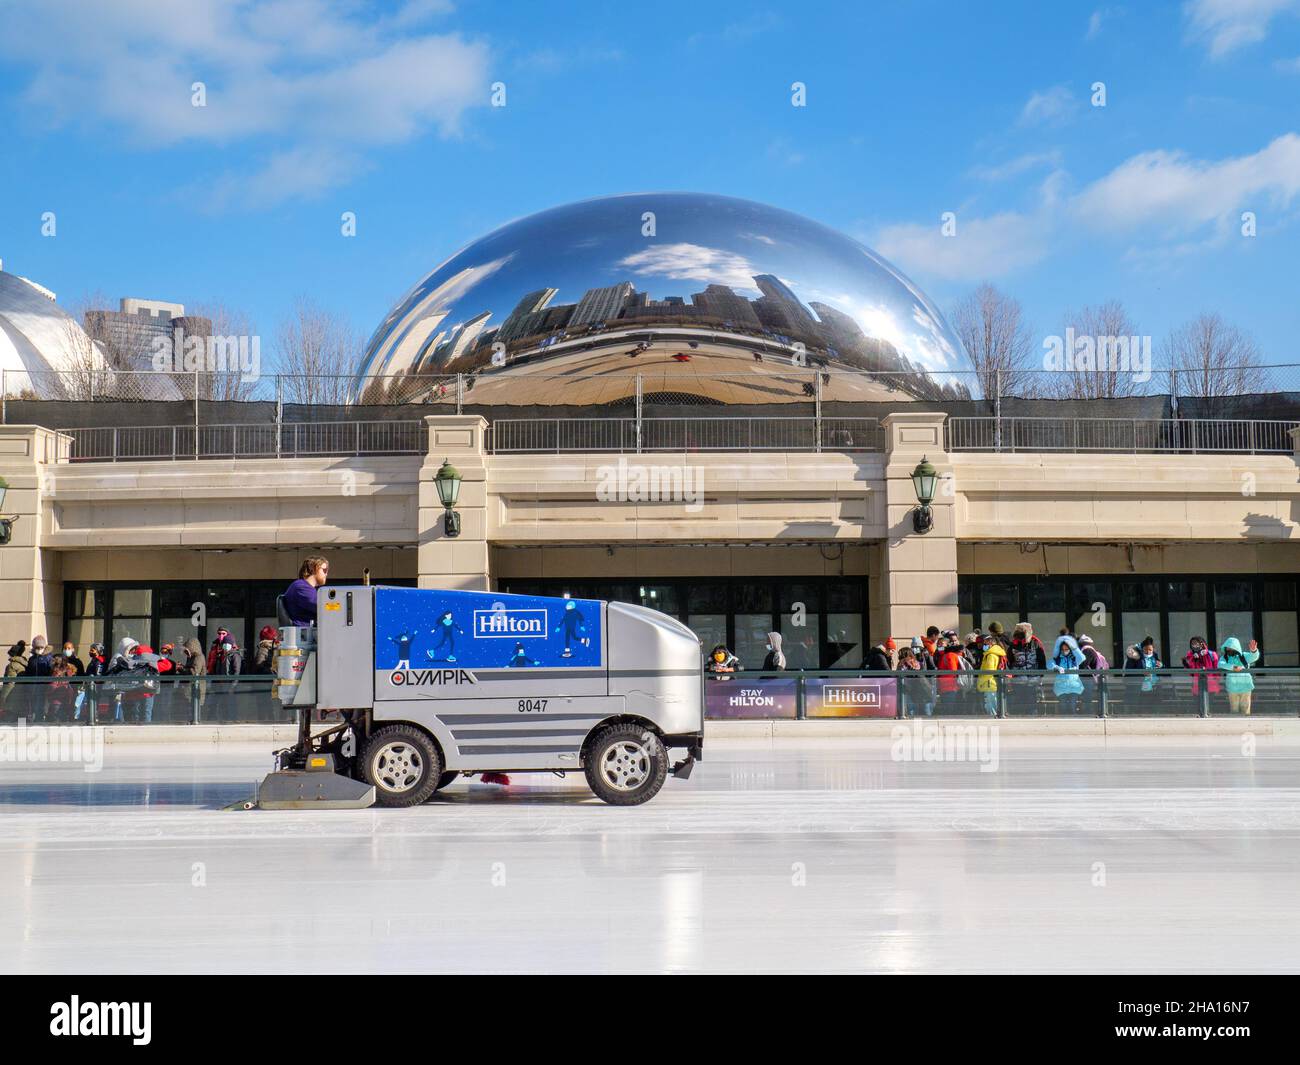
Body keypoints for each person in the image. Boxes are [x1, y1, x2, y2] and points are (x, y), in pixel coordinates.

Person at [1006, 622, 1047, 716]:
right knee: (1019, 699)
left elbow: (1042, 660)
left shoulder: (1036, 643)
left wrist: (1040, 675)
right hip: (1018, 679)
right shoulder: (1013, 645)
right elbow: (1010, 661)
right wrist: (1013, 674)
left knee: (1033, 700)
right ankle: (1021, 717)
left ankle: (1032, 716)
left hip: (1033, 679)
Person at [283, 556, 330, 627]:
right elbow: (322, 606)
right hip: (304, 634)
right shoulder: (301, 586)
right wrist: (339, 607)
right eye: (324, 570)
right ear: (314, 568)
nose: (326, 574)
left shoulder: (306, 588)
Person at [1219, 637, 1260, 715]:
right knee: (1234, 710)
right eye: (1227, 648)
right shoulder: (1224, 658)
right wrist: (1233, 667)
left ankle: (1246, 725)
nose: (1229, 650)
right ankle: (1235, 725)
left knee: (1245, 710)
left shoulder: (1244, 656)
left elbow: (1254, 657)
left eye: (1231, 647)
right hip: (1232, 688)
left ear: (1236, 647)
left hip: (1246, 687)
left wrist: (1254, 651)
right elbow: (1220, 664)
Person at [1049, 633, 1087, 715]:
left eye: (1066, 649)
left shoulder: (1075, 659)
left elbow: (1082, 658)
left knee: (1072, 706)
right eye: (1062, 649)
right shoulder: (1058, 659)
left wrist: (1074, 647)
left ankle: (1073, 721)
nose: (1064, 651)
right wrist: (1056, 667)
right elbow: (1049, 664)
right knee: (1063, 706)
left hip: (1074, 686)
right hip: (1061, 687)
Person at [935, 634, 971, 714]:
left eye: (941, 644)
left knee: (949, 711)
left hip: (949, 687)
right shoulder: (948, 655)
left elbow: (953, 671)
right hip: (949, 687)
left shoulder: (949, 655)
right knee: (949, 710)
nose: (939, 647)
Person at [976, 634, 1007, 717]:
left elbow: (988, 671)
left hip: (989, 683)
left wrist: (980, 683)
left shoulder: (991, 655)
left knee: (990, 705)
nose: (984, 646)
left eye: (985, 644)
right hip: (993, 683)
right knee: (994, 703)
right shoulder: (995, 653)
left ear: (990, 644)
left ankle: (993, 720)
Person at [1182, 637, 1221, 701]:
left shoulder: (1211, 654)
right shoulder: (1190, 655)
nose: (1194, 645)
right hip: (1197, 685)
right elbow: (1190, 670)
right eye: (1192, 644)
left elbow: (1217, 670)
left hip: (1211, 684)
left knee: (1209, 704)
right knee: (1197, 705)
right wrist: (1188, 661)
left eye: (1195, 643)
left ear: (1202, 644)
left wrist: (1217, 681)